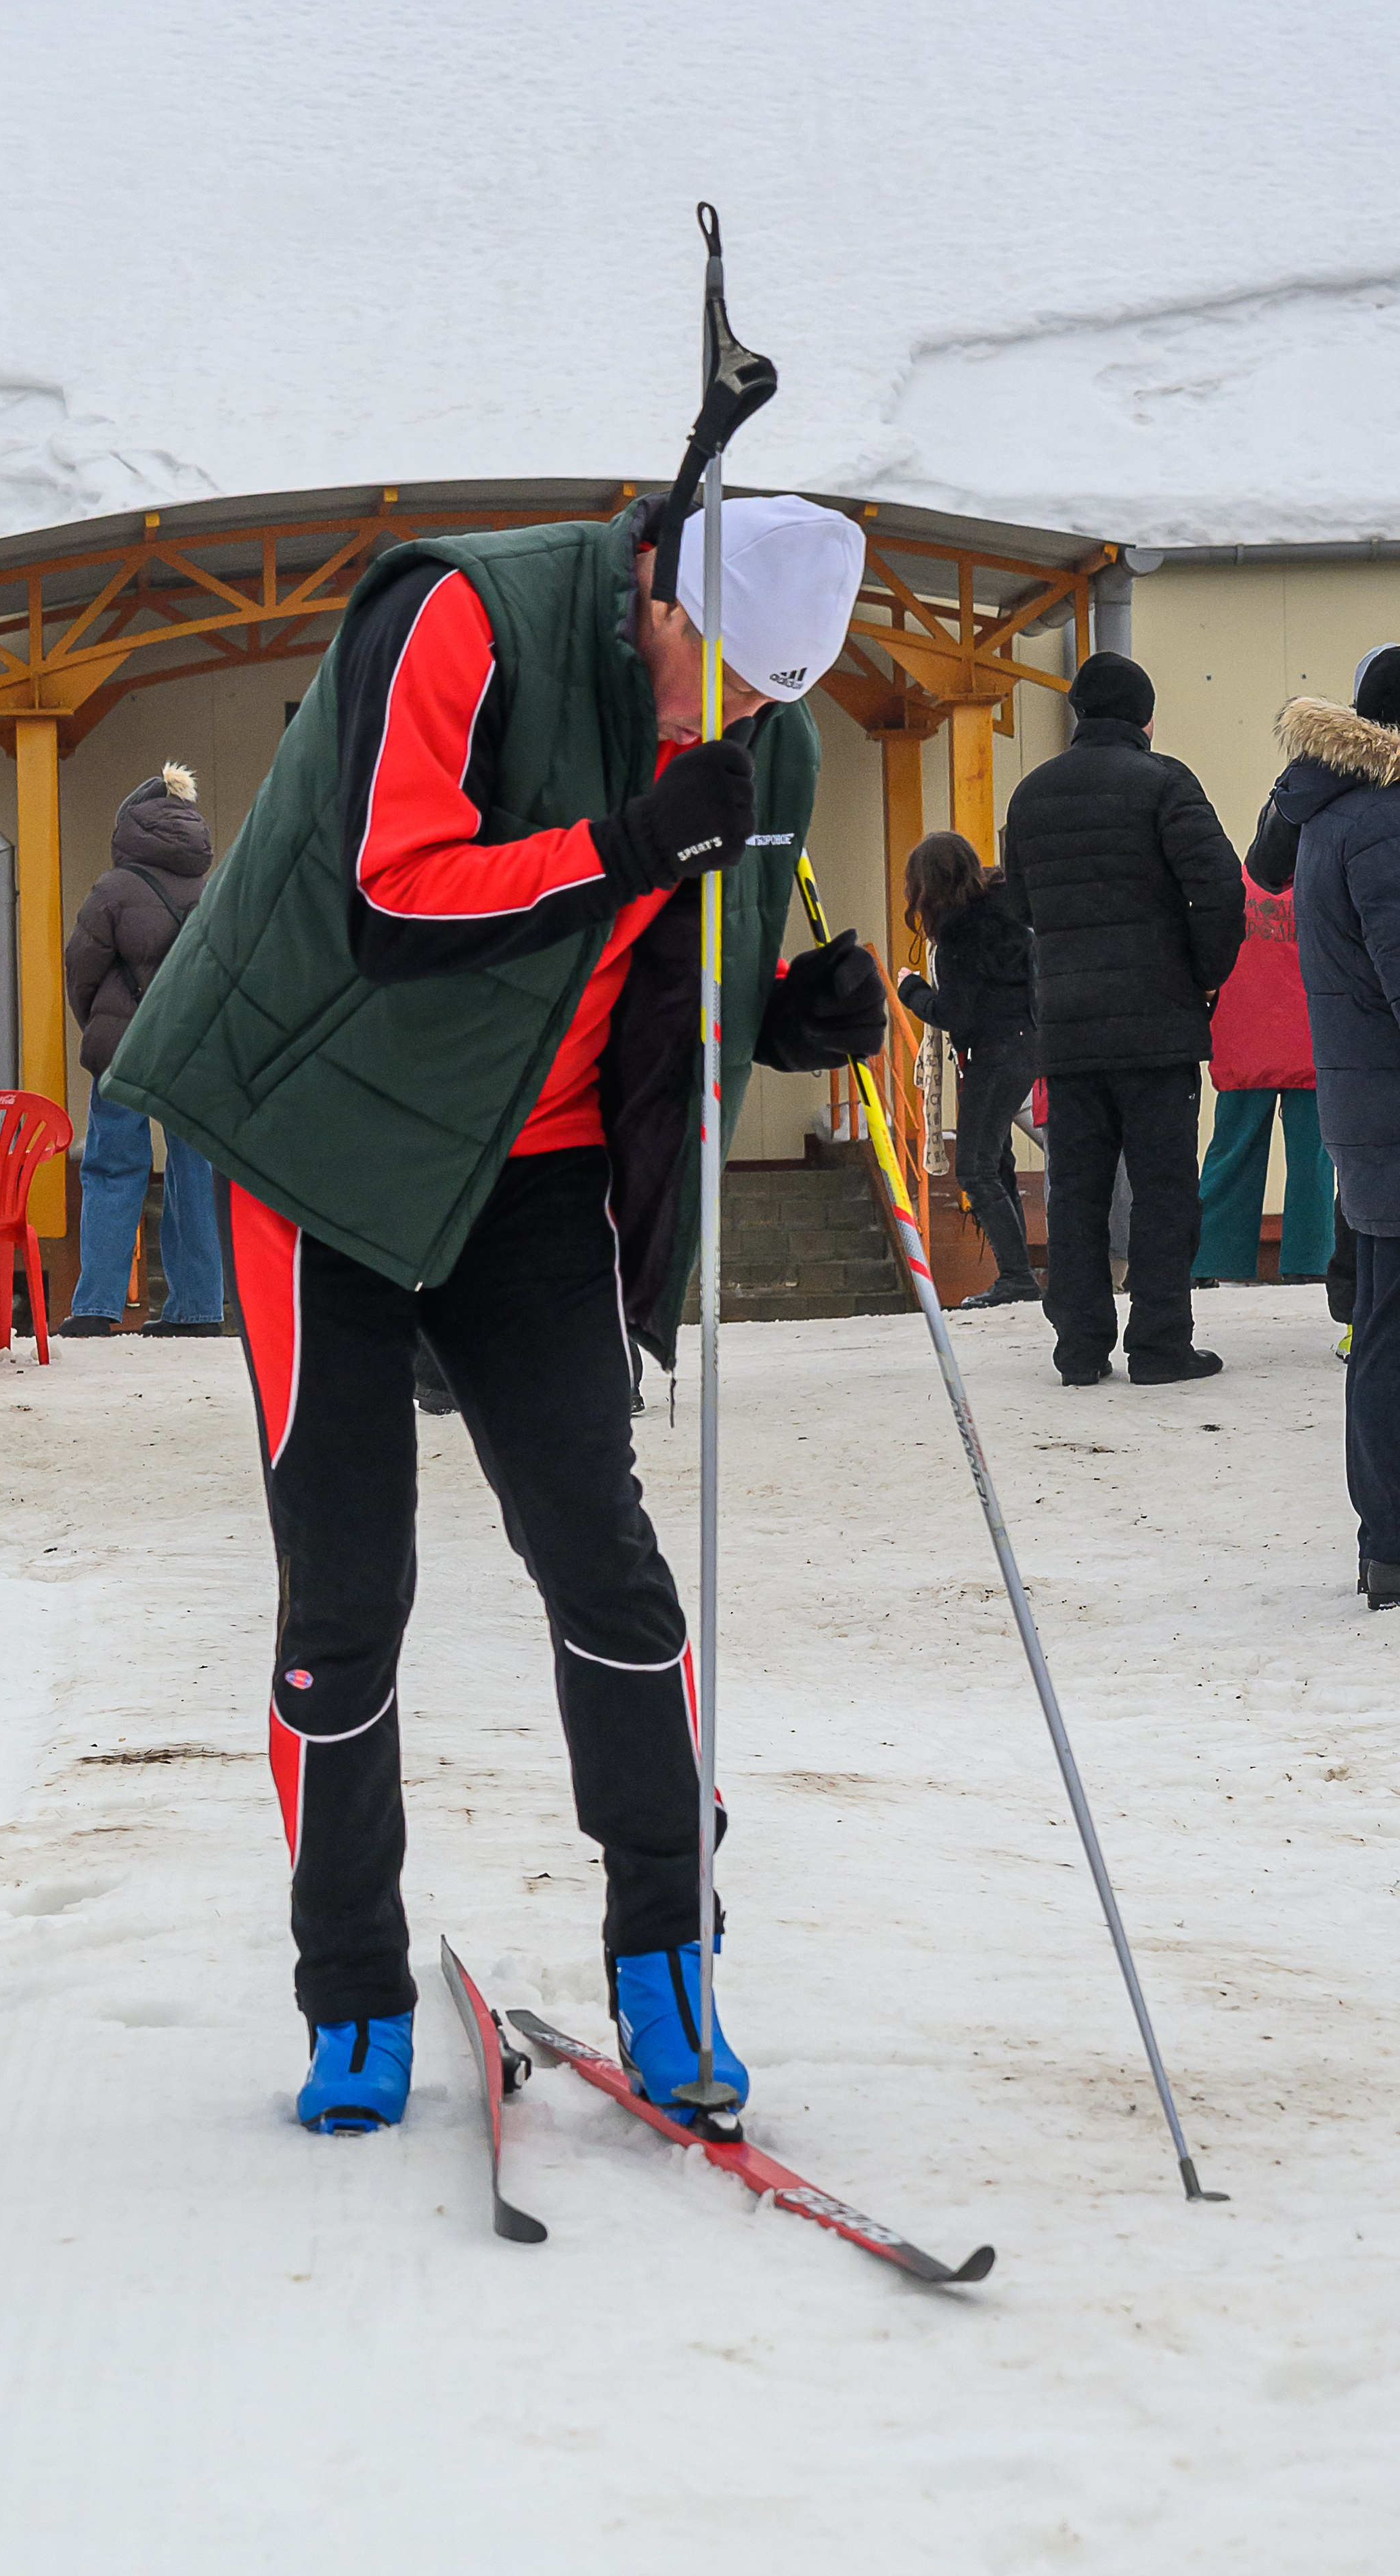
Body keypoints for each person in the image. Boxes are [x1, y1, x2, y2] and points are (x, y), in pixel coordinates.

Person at [105, 493, 884, 2132]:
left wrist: (785, 1018)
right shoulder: (461, 616)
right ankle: (350, 1999)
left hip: (523, 1171)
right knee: (346, 1582)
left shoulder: (757, 734)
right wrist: (625, 840)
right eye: (709, 674)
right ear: (660, 588)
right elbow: (396, 903)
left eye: (762, 703)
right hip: (310, 1144)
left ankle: (669, 1961)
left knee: (601, 1551)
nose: (719, 720)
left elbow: (673, 964)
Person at [1003, 652, 1245, 1385]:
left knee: (1074, 1189)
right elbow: (1220, 893)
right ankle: (1159, 1344)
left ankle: (1078, 1347)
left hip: (1068, 1029)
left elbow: (1019, 905)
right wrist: (1202, 980)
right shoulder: (1166, 783)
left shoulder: (1031, 795)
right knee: (1162, 1188)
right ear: (1144, 718)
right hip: (1156, 1028)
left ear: (1078, 713)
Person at [1255, 644, 1400, 1607]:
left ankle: (1386, 1544)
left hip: (1367, 1108)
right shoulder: (1384, 822)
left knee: (1385, 1324)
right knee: (1390, 1332)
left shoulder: (1326, 813)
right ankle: (1391, 1538)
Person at [60, 765, 227, 1339]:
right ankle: (199, 1308)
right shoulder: (217, 889)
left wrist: (101, 1025)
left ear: (131, 826)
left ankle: (98, 1308)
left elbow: (80, 970)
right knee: (196, 1171)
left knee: (112, 1166)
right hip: (196, 1050)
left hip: (125, 1047)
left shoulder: (115, 888)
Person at [896, 830, 1039, 1308]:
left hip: (993, 1055)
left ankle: (1017, 1277)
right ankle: (1017, 1274)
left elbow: (955, 1013)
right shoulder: (1007, 909)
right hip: (1026, 1045)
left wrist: (911, 990)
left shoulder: (959, 932)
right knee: (997, 1163)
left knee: (975, 1170)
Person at [1191, 870, 1333, 1288]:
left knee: (1233, 1149)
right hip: (1312, 1039)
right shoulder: (1320, 882)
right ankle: (1309, 1262)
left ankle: (1215, 1260)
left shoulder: (1230, 886)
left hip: (1243, 1038)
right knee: (1314, 1160)